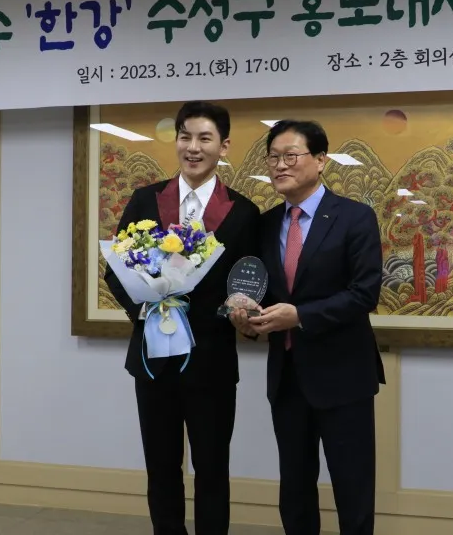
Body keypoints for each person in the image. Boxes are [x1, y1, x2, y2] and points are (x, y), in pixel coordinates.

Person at [104, 101, 260, 535]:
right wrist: (146, 307)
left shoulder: (243, 212)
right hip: (153, 359)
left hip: (212, 360)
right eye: (185, 136)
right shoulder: (146, 200)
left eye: (205, 138)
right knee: (161, 466)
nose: (193, 147)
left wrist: (242, 312)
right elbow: (115, 270)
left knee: (212, 468)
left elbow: (249, 282)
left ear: (223, 147)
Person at [230, 119, 385, 535]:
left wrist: (300, 316)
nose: (280, 165)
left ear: (320, 160)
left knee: (353, 489)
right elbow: (258, 293)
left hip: (344, 377)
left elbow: (364, 294)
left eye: (291, 156)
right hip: (288, 377)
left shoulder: (355, 217)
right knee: (295, 490)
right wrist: (247, 320)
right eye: (273, 157)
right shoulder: (264, 224)